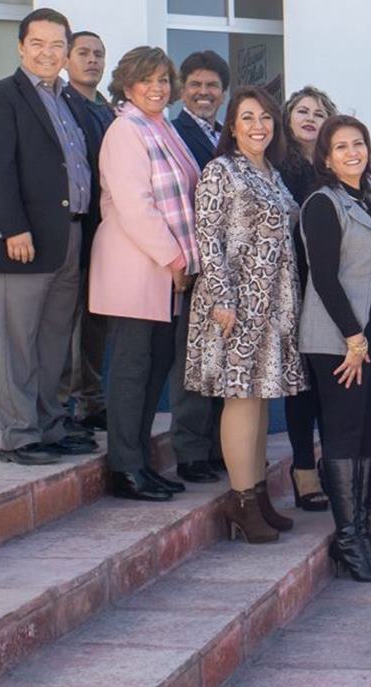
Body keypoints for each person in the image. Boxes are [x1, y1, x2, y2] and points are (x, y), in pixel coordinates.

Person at [0, 7, 100, 466]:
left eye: (57, 45)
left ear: (66, 51)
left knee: (54, 342)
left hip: (69, 236)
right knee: (19, 344)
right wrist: (13, 227)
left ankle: (51, 425)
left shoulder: (69, 100)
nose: (48, 53)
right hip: (24, 240)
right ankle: (20, 437)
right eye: (38, 44)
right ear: (21, 47)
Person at [186, 87, 305, 543]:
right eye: (247, 117)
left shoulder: (272, 174)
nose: (259, 126)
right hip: (235, 303)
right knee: (240, 398)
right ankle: (239, 501)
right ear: (232, 126)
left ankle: (256, 493)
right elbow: (208, 236)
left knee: (258, 399)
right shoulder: (221, 171)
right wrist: (222, 297)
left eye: (266, 118)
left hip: (272, 303)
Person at [88, 46, 200, 501]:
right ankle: (124, 468)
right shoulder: (125, 131)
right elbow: (137, 208)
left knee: (154, 368)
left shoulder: (161, 127)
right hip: (138, 267)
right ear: (127, 85)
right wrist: (176, 259)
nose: (157, 88)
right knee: (132, 371)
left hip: (165, 272)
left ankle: (141, 463)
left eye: (163, 79)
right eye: (146, 80)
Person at [299, 115, 371, 581]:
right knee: (344, 435)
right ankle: (348, 542)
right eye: (340, 146)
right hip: (341, 342)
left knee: (368, 436)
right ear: (326, 156)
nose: (352, 152)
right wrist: (353, 338)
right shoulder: (323, 203)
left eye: (358, 143)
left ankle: (361, 537)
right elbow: (322, 277)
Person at [169, 50, 230, 484]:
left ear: (223, 93)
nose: (204, 92)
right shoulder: (172, 135)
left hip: (235, 268)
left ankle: (220, 447)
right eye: (196, 85)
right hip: (195, 264)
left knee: (225, 361)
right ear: (182, 89)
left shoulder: (233, 136)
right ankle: (191, 451)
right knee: (193, 361)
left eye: (212, 86)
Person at [278, 85, 338, 513]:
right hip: (292, 285)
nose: (310, 118)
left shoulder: (337, 169)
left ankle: (334, 466)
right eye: (302, 110)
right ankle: (303, 469)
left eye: (319, 112)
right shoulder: (277, 165)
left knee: (331, 384)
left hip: (332, 285)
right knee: (301, 384)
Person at [59, 30, 115, 435]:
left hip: (105, 230)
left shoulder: (108, 110)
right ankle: (63, 405)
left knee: (96, 319)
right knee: (66, 319)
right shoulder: (59, 105)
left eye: (98, 54)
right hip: (71, 227)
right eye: (83, 53)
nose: (91, 60)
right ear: (66, 59)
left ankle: (92, 400)